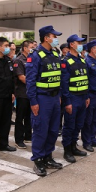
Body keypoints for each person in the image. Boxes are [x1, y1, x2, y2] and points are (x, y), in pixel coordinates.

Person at [26, 26, 63, 176]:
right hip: (42, 99)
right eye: (54, 36)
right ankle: (38, 160)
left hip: (54, 98)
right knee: (41, 130)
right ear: (46, 38)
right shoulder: (35, 55)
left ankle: (48, 156)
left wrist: (59, 95)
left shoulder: (55, 53)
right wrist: (33, 101)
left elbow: (58, 77)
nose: (56, 38)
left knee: (53, 130)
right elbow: (30, 80)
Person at [60, 34, 89, 162]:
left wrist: (87, 96)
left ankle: (74, 146)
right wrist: (67, 102)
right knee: (69, 125)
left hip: (83, 98)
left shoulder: (82, 60)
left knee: (78, 124)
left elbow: (85, 80)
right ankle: (67, 150)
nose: (81, 45)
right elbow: (64, 84)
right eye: (78, 42)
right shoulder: (66, 61)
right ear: (72, 44)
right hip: (72, 98)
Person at [82, 40, 96, 152]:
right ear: (92, 49)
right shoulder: (87, 61)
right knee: (88, 120)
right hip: (90, 94)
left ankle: (93, 139)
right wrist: (87, 95)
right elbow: (86, 80)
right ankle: (87, 142)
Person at [13, 40, 34, 149]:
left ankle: (28, 135)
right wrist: (33, 83)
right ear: (25, 48)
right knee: (20, 117)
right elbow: (21, 77)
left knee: (29, 116)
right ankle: (18, 139)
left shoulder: (32, 59)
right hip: (22, 93)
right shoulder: (19, 60)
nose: (33, 49)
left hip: (31, 93)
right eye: (31, 47)